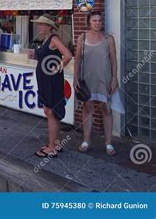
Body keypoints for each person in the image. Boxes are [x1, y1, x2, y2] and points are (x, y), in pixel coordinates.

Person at [74, 11, 122, 156]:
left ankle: (108, 142)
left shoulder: (109, 39)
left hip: (104, 79)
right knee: (87, 108)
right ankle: (86, 140)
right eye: (94, 20)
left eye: (99, 20)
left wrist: (114, 78)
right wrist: (75, 77)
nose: (97, 23)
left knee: (105, 108)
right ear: (89, 22)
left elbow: (113, 60)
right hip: (87, 80)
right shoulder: (82, 38)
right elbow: (77, 59)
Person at [31, 14, 72, 158]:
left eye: (42, 24)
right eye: (39, 24)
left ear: (49, 26)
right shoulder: (45, 40)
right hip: (45, 80)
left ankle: (51, 148)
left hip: (51, 82)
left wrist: (58, 68)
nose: (39, 26)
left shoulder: (54, 39)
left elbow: (67, 55)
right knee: (50, 112)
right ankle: (56, 143)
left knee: (51, 113)